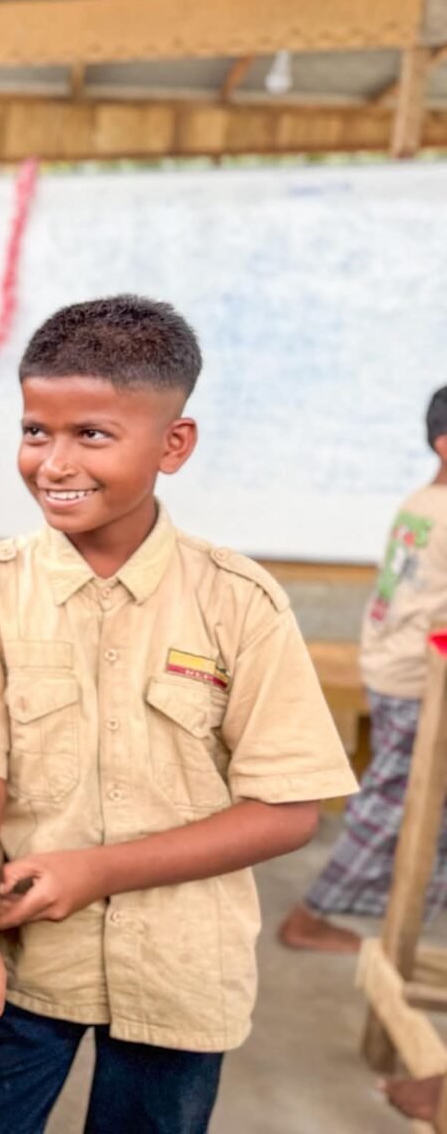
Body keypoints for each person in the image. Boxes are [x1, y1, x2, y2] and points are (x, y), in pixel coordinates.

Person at [0, 295, 357, 1134]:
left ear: (173, 444)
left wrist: (97, 870)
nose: (54, 464)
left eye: (91, 435)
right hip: (24, 961)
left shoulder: (239, 603)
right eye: (37, 431)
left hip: (182, 975)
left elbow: (290, 811)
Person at [279, 385, 447, 955]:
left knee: (422, 799)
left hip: (397, 665)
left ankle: (417, 905)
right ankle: (309, 915)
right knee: (390, 802)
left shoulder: (424, 500)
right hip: (418, 679)